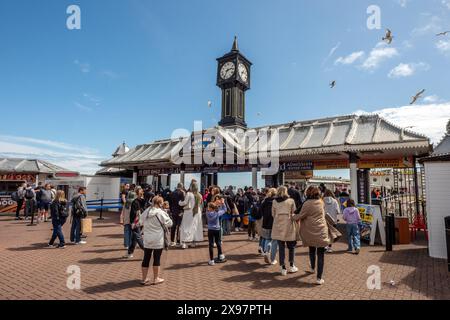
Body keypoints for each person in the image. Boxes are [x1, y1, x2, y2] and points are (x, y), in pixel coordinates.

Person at [297, 186, 330, 285]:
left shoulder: (307, 203)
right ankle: (319, 278)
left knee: (311, 249)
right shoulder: (321, 202)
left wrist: (291, 217)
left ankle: (312, 268)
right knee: (321, 254)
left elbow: (301, 215)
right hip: (321, 229)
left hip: (310, 230)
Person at [139, 196, 173, 285]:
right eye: (161, 203)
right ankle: (156, 278)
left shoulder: (146, 212)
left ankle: (144, 278)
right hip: (158, 239)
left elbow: (140, 221)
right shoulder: (161, 213)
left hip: (147, 239)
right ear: (159, 203)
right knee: (156, 258)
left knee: (146, 258)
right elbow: (170, 223)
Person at [271, 186, 298, 276]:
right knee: (291, 246)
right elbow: (294, 212)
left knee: (281, 246)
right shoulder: (291, 201)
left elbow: (273, 214)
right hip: (289, 224)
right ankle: (291, 265)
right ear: (286, 191)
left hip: (278, 225)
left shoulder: (274, 201)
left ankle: (283, 268)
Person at [179, 180, 204, 249]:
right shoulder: (200, 195)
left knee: (186, 226)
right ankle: (194, 242)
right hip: (197, 212)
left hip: (189, 212)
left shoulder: (189, 194)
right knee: (195, 226)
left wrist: (179, 202)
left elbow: (184, 202)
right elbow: (201, 204)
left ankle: (184, 242)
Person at [124, 187, 146, 258]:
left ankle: (147, 250)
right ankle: (130, 252)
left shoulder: (135, 202)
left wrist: (133, 223)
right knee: (134, 238)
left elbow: (135, 213)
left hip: (136, 222)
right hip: (141, 221)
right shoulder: (143, 201)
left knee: (138, 237)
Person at [260, 188, 278, 265]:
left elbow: (260, 211)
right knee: (274, 240)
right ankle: (270, 255)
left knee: (267, 238)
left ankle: (266, 252)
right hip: (275, 222)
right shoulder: (277, 201)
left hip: (266, 222)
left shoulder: (265, 201)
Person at [207, 199, 227, 265]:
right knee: (218, 242)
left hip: (210, 230)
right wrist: (223, 203)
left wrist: (215, 204)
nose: (207, 208)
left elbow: (210, 209)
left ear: (210, 208)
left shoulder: (207, 213)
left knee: (211, 244)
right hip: (217, 229)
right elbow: (224, 210)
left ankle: (211, 260)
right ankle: (221, 255)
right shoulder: (217, 213)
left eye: (208, 207)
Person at [169, 183, 185, 247]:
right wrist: (182, 210)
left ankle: (172, 241)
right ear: (182, 187)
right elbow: (183, 202)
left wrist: (171, 210)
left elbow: (170, 203)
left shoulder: (172, 193)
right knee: (179, 226)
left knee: (173, 226)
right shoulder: (182, 193)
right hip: (180, 212)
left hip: (173, 211)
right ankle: (178, 241)